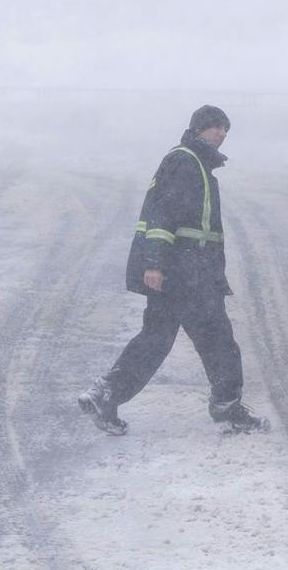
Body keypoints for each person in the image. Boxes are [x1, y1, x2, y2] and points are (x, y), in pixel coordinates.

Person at [78, 105, 269, 435]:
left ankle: (105, 394)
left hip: (191, 272)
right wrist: (154, 264)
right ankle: (227, 407)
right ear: (198, 129)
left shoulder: (197, 164)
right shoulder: (185, 161)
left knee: (160, 338)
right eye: (215, 127)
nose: (221, 134)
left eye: (225, 129)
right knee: (217, 340)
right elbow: (161, 216)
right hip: (185, 273)